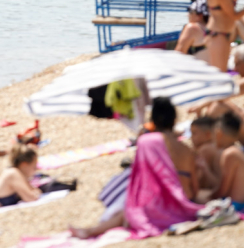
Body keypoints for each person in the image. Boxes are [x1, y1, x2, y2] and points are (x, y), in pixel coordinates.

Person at [69, 97, 198, 239]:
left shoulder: (147, 142)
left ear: (153, 121)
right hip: (187, 198)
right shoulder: (187, 149)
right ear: (174, 119)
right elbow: (194, 185)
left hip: (163, 203)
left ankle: (90, 232)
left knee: (128, 212)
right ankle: (90, 231)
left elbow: (141, 180)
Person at [214, 112, 244, 206]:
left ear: (219, 134)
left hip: (234, 205)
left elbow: (223, 191)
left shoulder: (229, 154)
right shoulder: (236, 151)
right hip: (242, 202)